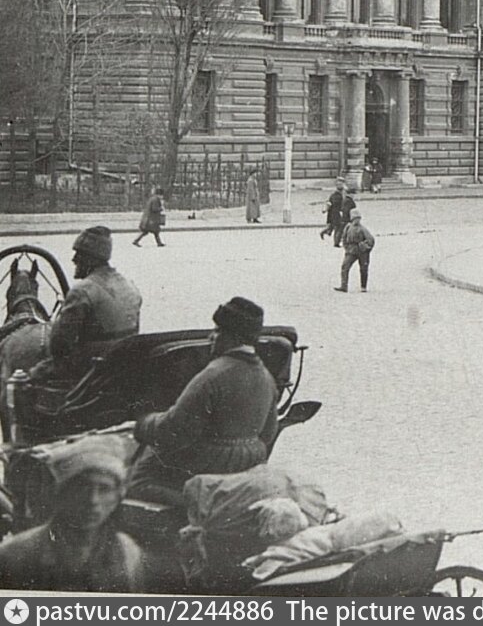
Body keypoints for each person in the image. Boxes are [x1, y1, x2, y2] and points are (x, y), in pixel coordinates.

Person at [127, 297, 278, 505]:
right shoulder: (266, 376)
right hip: (248, 463)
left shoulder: (213, 375)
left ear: (231, 336)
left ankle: (197, 504)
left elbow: (174, 429)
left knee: (136, 481)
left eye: (217, 331)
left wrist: (144, 423)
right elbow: (268, 433)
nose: (211, 337)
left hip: (210, 463)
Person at [0, 434, 144, 592]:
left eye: (104, 489)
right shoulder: (16, 555)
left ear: (117, 497)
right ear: (62, 493)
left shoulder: (127, 554)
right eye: (82, 488)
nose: (93, 500)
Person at [33, 227, 142, 388]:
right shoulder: (129, 285)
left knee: (29, 376)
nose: (74, 260)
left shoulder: (82, 290)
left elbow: (59, 344)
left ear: (91, 259)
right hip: (125, 359)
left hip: (93, 365)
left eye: (79, 255)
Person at [336, 209, 375, 292]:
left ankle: (363, 287)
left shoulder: (363, 229)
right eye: (355, 219)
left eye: (358, 218)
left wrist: (365, 247)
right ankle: (344, 285)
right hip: (351, 250)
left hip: (362, 251)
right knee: (345, 267)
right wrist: (346, 247)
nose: (356, 220)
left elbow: (371, 240)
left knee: (363, 268)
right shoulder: (348, 227)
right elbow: (344, 238)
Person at [323, 179, 348, 244]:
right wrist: (325, 209)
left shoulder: (345, 193)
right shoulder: (334, 194)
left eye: (341, 184)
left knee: (337, 226)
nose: (340, 185)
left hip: (342, 212)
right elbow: (329, 203)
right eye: (338, 184)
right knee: (338, 227)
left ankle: (326, 232)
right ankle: (336, 241)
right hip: (335, 213)